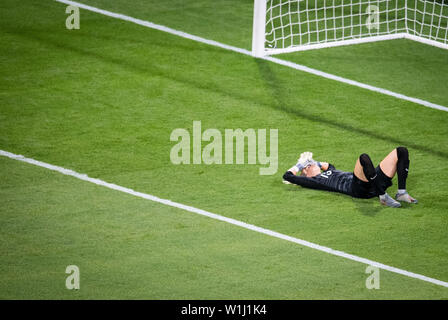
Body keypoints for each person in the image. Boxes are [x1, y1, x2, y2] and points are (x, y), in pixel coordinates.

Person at [282, 147, 418, 208]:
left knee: (401, 151)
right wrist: (299, 165)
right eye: (308, 166)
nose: (311, 164)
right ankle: (382, 196)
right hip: (357, 188)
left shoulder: (330, 170)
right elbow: (287, 176)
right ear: (306, 172)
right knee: (364, 158)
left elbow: (328, 165)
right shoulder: (313, 181)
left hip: (371, 181)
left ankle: (401, 193)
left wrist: (313, 162)